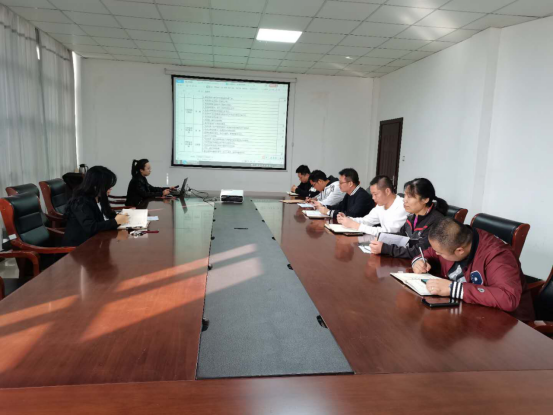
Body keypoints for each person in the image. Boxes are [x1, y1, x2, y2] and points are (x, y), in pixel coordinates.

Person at [412, 217, 534, 321]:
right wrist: (419, 261)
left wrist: (453, 289)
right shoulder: (454, 240)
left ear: (459, 251)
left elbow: (508, 298)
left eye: (440, 253)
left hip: (505, 323)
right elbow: (430, 253)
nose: (436, 254)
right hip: (467, 311)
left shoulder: (499, 255)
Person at [369, 178, 447, 258]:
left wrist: (386, 249)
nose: (404, 200)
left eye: (409, 197)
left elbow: (420, 251)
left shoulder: (437, 222)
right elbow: (401, 236)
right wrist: (382, 238)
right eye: (405, 195)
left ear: (425, 200)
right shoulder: (411, 216)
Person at [62, 166, 130, 247]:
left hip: (97, 241)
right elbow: (91, 227)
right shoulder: (80, 202)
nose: (110, 188)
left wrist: (120, 217)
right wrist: (116, 221)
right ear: (95, 185)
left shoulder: (99, 197)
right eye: (107, 186)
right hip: (80, 248)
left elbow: (107, 215)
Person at [337, 175, 407, 236]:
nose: (373, 198)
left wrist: (356, 225)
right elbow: (367, 221)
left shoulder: (402, 206)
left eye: (375, 194)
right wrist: (348, 219)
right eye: (372, 194)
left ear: (387, 191)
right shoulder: (381, 205)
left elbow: (388, 232)